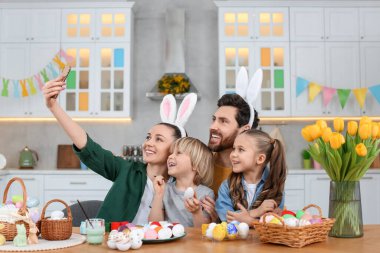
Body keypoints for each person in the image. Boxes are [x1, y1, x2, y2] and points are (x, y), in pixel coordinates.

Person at [42, 74, 197, 223]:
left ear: (175, 149)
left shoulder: (180, 186)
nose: (148, 143)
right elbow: (89, 148)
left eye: (159, 139)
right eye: (148, 137)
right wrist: (53, 106)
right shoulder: (126, 169)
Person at [215, 129, 287, 224]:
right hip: (236, 239)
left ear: (260, 158)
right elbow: (227, 217)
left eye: (241, 149)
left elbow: (274, 224)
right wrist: (256, 212)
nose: (233, 154)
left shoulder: (275, 188)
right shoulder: (227, 186)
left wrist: (251, 221)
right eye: (234, 148)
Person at [149, 137, 214, 227]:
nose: (170, 156)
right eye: (171, 153)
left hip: (193, 241)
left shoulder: (206, 193)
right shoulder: (165, 189)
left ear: (195, 164)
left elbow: (203, 230)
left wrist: (196, 212)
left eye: (178, 153)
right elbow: (154, 225)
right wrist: (158, 195)